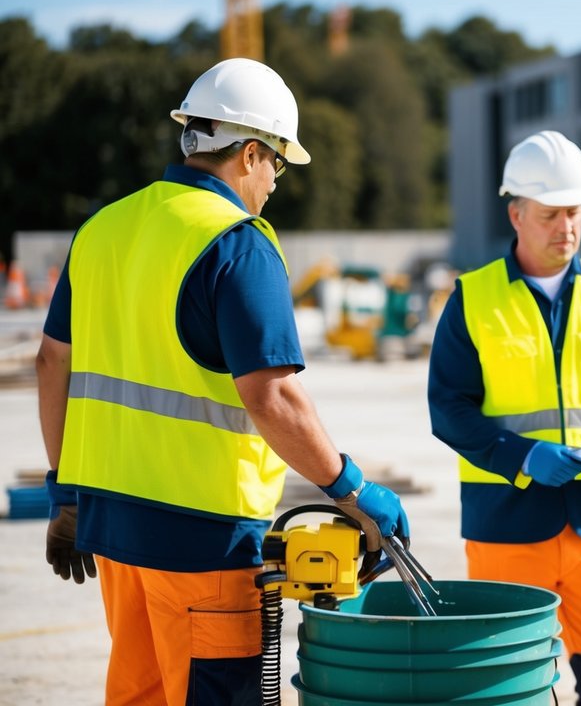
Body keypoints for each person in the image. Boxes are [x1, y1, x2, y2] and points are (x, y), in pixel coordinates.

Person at [36, 57, 410, 705]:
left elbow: (51, 363)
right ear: (248, 153)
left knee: (141, 693)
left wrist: (65, 494)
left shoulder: (103, 228)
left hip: (114, 531)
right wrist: (350, 488)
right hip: (203, 544)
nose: (274, 183)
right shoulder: (236, 243)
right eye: (277, 165)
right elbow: (272, 396)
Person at [428, 130, 581, 706]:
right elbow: (449, 410)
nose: (566, 227)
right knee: (507, 687)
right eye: (550, 214)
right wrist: (522, 457)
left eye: (575, 212)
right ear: (516, 213)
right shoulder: (473, 299)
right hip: (506, 527)